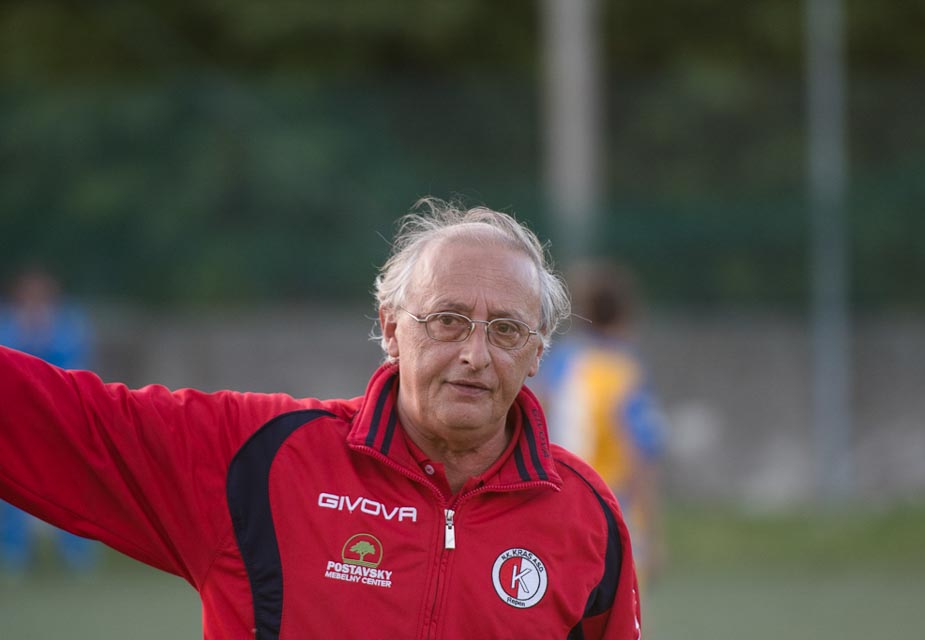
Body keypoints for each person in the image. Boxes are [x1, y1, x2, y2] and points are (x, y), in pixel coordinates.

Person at [0, 199, 641, 639]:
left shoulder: (588, 517)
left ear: (537, 353)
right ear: (391, 328)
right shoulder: (260, 461)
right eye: (447, 320)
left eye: (505, 330)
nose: (475, 354)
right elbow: (52, 416)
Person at [534, 261, 667, 596]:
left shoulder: (558, 365)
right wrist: (652, 536)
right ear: (625, 316)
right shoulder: (625, 373)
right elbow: (639, 457)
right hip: (613, 514)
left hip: (559, 508)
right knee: (620, 617)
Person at [0, 267, 100, 577]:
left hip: (59, 418)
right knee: (11, 488)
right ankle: (13, 553)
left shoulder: (68, 324)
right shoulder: (7, 324)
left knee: (73, 482)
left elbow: (75, 367)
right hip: (14, 419)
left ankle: (77, 554)